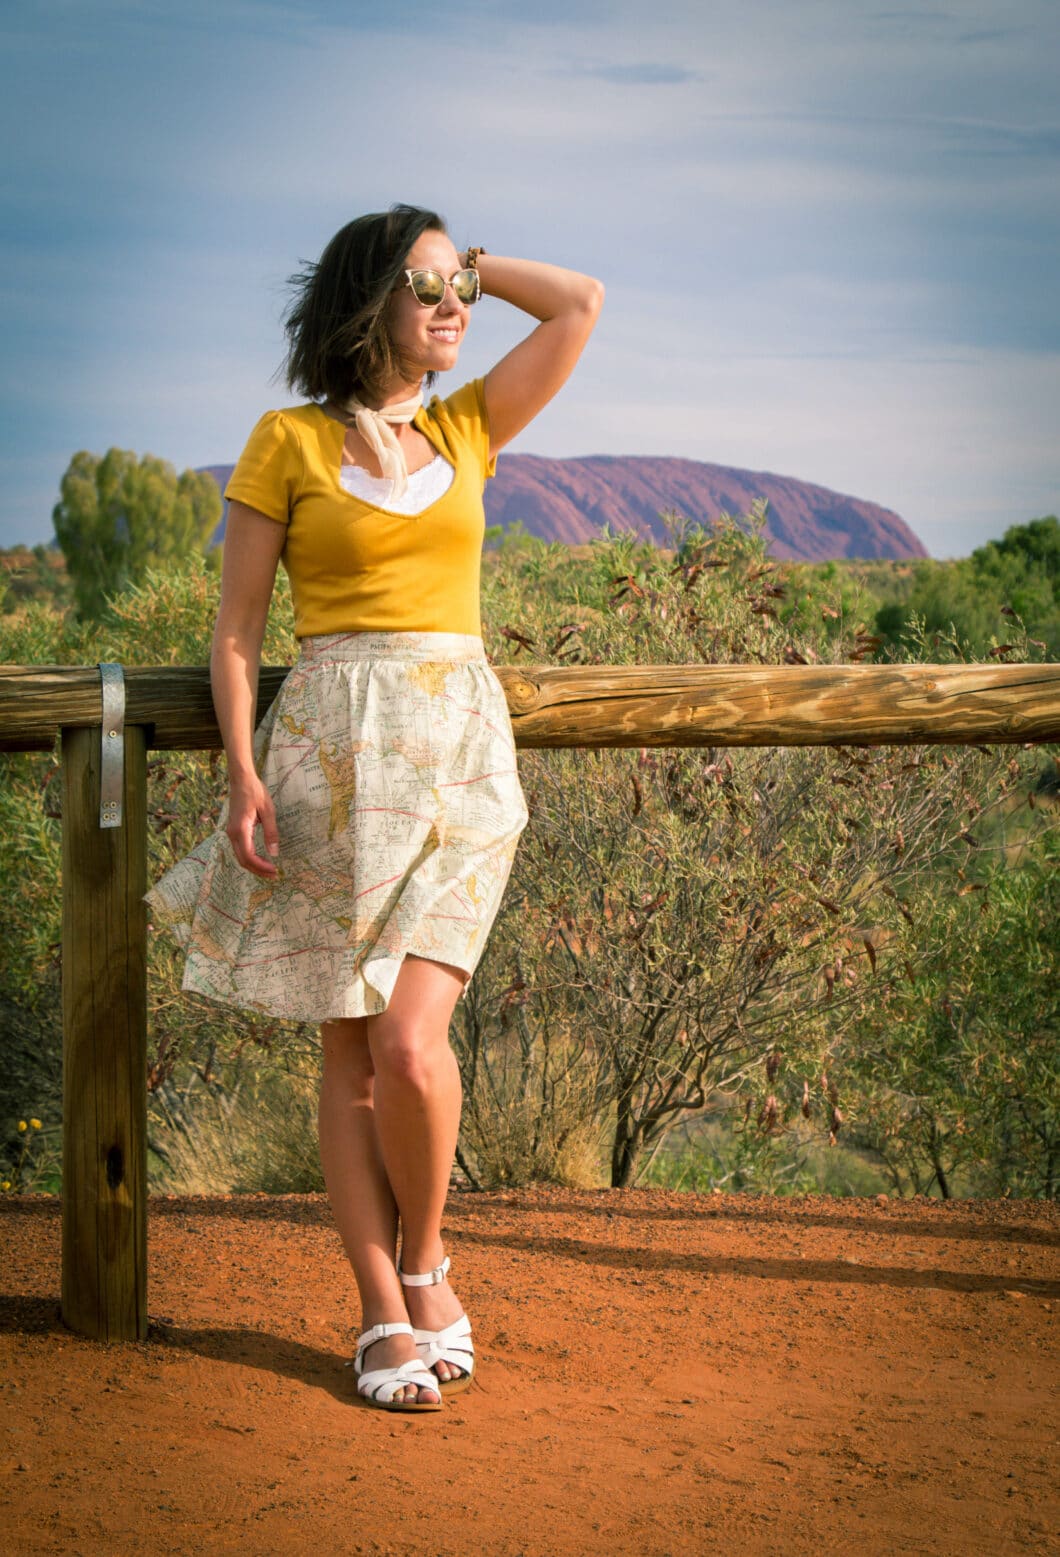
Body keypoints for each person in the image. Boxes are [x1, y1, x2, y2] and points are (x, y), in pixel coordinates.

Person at [147, 203, 603, 1412]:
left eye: (459, 286)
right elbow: (238, 631)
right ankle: (380, 1311)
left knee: (411, 1043)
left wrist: (470, 264)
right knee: (348, 1057)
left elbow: (580, 305)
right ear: (366, 305)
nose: (453, 306)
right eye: (426, 287)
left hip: (461, 759)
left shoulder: (470, 423)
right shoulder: (286, 442)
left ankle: (425, 1260)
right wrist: (242, 773)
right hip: (329, 763)